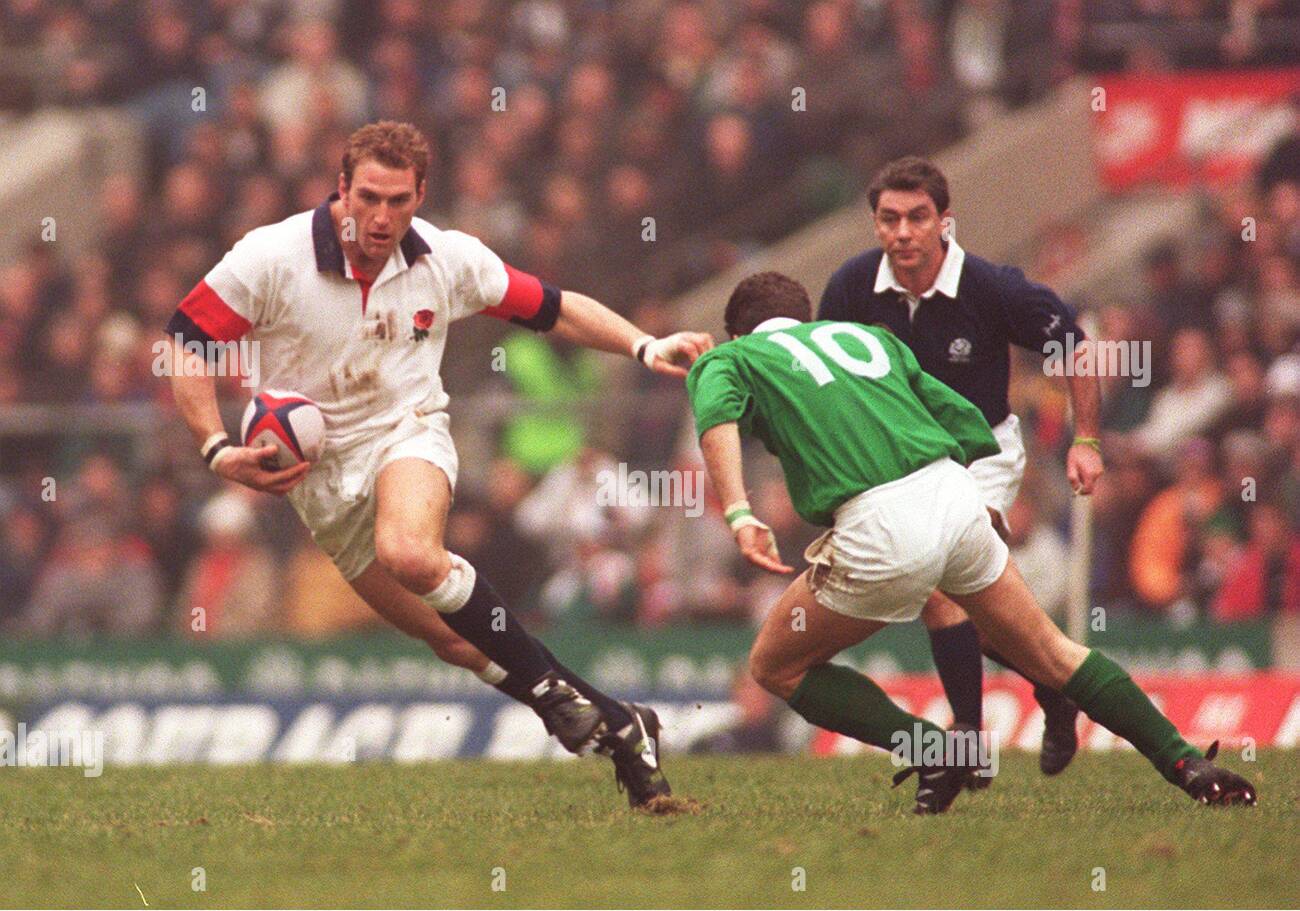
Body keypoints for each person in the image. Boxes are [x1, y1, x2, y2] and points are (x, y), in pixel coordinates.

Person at [165, 121, 711, 807]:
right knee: (458, 644)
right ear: (341, 189)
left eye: (399, 200)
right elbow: (185, 341)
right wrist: (216, 448)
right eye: (368, 197)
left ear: (421, 194)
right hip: (321, 486)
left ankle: (551, 701)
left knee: (411, 553)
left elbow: (554, 309)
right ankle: (620, 721)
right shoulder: (270, 257)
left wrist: (643, 346)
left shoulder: (447, 260)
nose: (381, 216)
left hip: (407, 435)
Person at [686, 271, 1255, 814]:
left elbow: (716, 421)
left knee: (775, 665)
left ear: (740, 332)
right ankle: (1185, 763)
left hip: (878, 526)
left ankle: (940, 752)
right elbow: (959, 417)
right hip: (954, 494)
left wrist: (739, 512)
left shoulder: (730, 358)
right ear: (803, 318)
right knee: (1056, 655)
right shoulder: (870, 338)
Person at [817, 156, 1104, 778]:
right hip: (899, 464)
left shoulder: (991, 286)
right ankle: (1054, 691)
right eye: (889, 219)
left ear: (945, 222)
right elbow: (822, 379)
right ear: (875, 225)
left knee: (943, 578)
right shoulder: (850, 288)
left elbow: (1074, 345)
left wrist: (1087, 440)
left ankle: (968, 739)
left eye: (918, 217)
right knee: (980, 606)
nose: (903, 232)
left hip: (982, 454)